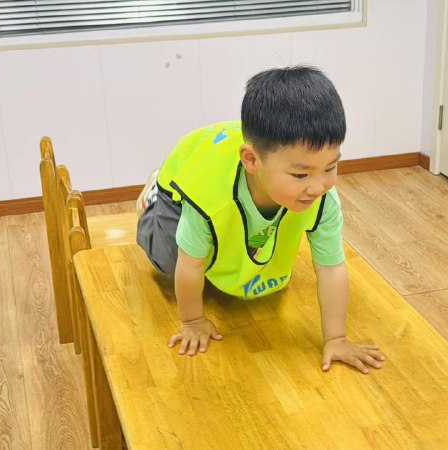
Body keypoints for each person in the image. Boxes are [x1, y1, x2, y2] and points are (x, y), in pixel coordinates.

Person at [136, 66, 385, 374]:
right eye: (301, 175)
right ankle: (153, 196)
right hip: (184, 184)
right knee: (171, 260)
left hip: (248, 182)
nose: (318, 186)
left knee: (255, 249)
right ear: (252, 160)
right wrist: (193, 321)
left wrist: (337, 338)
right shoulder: (208, 196)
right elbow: (190, 265)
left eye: (330, 168)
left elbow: (331, 267)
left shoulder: (322, 198)